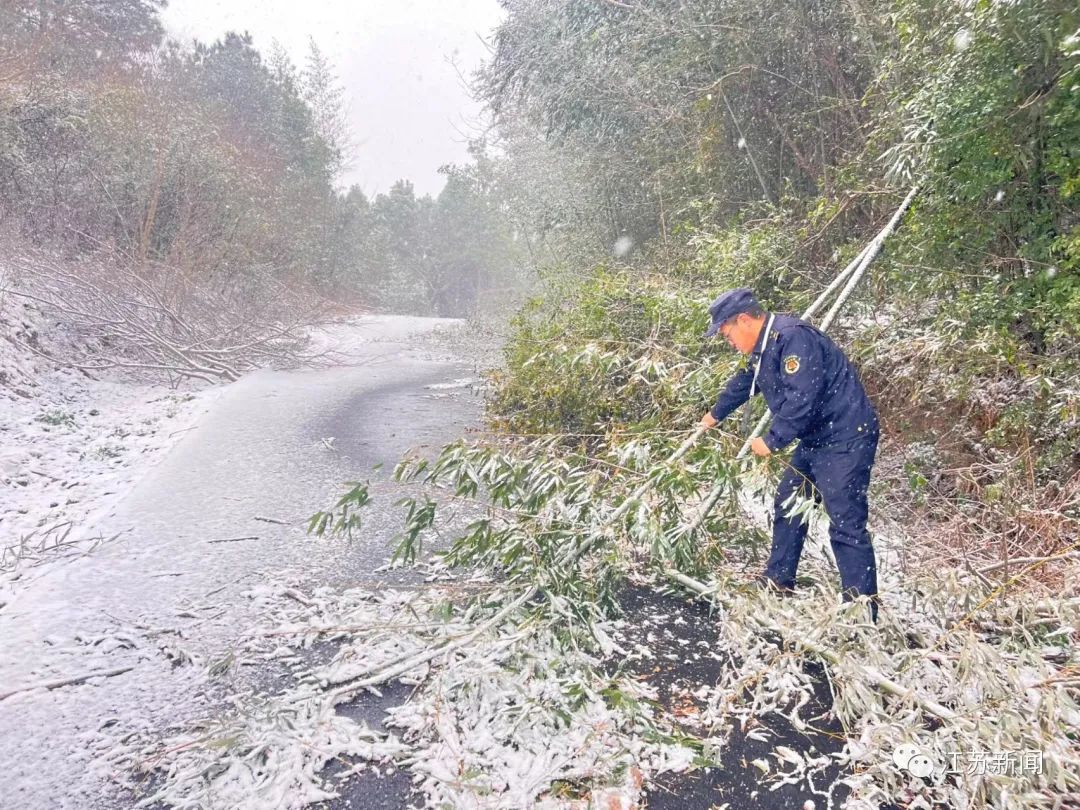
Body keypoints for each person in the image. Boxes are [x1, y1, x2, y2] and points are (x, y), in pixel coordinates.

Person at [699, 288, 880, 619]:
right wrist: (715, 414)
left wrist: (772, 440)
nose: (729, 342)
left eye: (727, 334)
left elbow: (802, 397)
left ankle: (861, 612)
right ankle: (779, 580)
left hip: (845, 438)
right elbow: (746, 381)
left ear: (744, 320)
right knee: (789, 503)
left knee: (846, 523)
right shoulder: (765, 347)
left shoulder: (793, 338)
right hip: (816, 438)